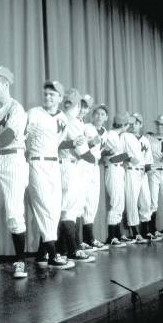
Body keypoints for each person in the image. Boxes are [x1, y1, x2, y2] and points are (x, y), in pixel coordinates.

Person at [0, 66, 29, 279]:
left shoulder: (17, 109)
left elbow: (7, 137)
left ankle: (20, 261)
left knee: (14, 214)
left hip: (13, 159)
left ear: (6, 84)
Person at [26, 81, 75, 269]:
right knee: (44, 205)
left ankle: (41, 253)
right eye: (46, 94)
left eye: (52, 95)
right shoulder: (33, 113)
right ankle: (54, 255)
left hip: (54, 164)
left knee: (54, 209)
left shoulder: (63, 118)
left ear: (60, 98)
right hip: (37, 161)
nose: (47, 97)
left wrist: (75, 143)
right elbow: (22, 137)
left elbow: (57, 143)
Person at [57, 89, 96, 263]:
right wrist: (93, 156)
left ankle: (62, 250)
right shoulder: (72, 121)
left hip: (62, 165)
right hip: (69, 166)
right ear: (78, 104)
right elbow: (83, 152)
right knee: (69, 210)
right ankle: (72, 250)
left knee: (64, 209)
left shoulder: (59, 117)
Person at [80, 103, 110, 251]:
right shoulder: (86, 127)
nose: (99, 116)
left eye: (102, 114)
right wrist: (91, 142)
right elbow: (79, 146)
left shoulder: (105, 132)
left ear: (106, 117)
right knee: (80, 201)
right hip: (83, 165)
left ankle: (89, 238)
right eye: (97, 113)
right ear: (92, 115)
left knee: (92, 201)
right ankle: (78, 240)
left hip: (95, 166)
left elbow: (101, 150)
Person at [120, 113, 154, 244]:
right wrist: (128, 158)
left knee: (146, 200)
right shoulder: (125, 136)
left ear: (141, 124)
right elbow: (117, 154)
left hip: (143, 173)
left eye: (137, 122)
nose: (134, 125)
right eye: (132, 122)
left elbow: (148, 160)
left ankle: (145, 230)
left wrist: (149, 171)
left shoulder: (145, 139)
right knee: (132, 200)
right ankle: (135, 232)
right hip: (131, 170)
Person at [102, 112, 130, 248]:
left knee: (120, 203)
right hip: (112, 169)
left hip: (118, 169)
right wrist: (128, 155)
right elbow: (112, 158)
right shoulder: (111, 135)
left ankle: (117, 235)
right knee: (116, 202)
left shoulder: (118, 136)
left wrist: (124, 156)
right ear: (124, 125)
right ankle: (111, 236)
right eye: (127, 124)